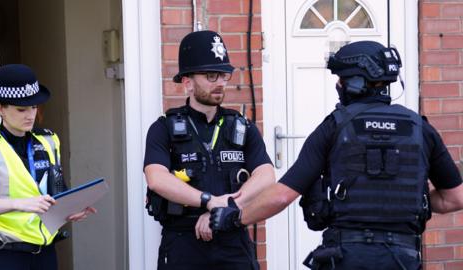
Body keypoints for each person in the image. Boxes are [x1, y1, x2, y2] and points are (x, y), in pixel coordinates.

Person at [210, 40, 463, 270]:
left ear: (355, 83)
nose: (338, 85)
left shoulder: (334, 127)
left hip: (347, 257)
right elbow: (454, 198)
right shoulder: (421, 129)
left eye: (341, 79)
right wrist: (408, 197)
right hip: (404, 258)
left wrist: (235, 217)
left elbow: (282, 195)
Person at [144, 30, 275, 270]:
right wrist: (208, 202)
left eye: (224, 76)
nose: (220, 84)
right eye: (211, 76)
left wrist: (227, 205)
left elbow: (266, 175)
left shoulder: (242, 126)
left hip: (232, 237)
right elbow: (156, 179)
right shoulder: (164, 128)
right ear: (187, 83)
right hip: (184, 241)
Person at [0, 64, 96, 270]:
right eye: (21, 109)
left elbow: (55, 191)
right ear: (0, 109)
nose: (30, 115)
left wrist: (69, 210)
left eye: (34, 107)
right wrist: (21, 204)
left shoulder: (49, 140)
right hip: (2, 255)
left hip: (44, 253)